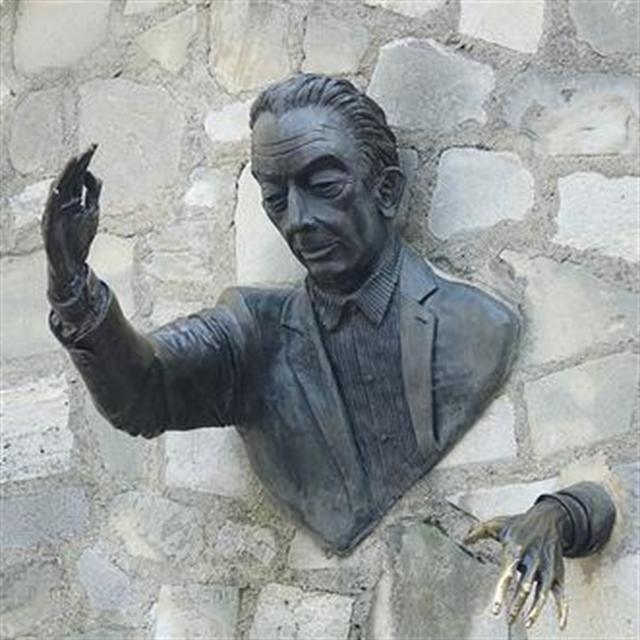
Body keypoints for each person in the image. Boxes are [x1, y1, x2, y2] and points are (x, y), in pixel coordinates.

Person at [42, 74, 615, 630]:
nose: (298, 220)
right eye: (275, 197)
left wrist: (559, 513)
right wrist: (73, 290)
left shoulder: (478, 326)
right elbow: (143, 394)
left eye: (323, 185)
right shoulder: (251, 332)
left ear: (386, 190)